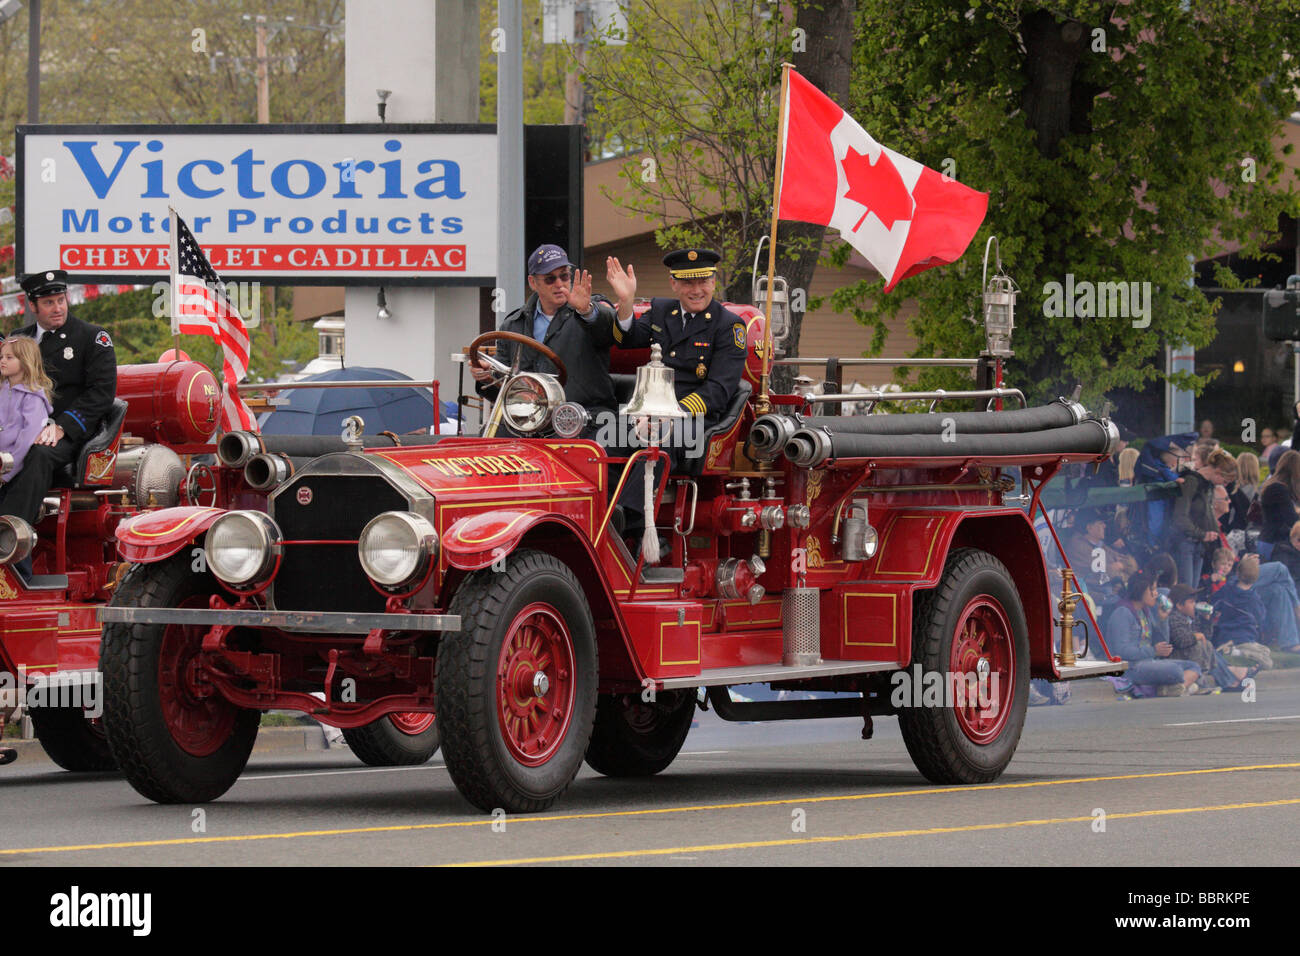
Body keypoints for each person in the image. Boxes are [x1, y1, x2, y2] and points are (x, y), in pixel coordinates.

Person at [604, 249, 747, 548]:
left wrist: (667, 413)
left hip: (696, 420)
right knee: (603, 436)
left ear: (713, 281)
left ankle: (630, 526)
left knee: (660, 440)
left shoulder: (729, 326)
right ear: (674, 284)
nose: (696, 290)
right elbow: (625, 340)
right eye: (687, 283)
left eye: (703, 281)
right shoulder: (661, 311)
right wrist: (627, 302)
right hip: (649, 412)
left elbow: (719, 390)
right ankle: (602, 509)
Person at [0, 270, 117, 528]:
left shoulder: (92, 337)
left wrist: (63, 426)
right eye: (48, 302)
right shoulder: (18, 339)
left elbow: (102, 393)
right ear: (33, 306)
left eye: (61, 300)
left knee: (39, 453)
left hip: (69, 432)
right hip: (17, 425)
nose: (57, 308)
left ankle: (8, 533)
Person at [470, 244, 618, 434]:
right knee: (488, 437)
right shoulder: (514, 324)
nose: (559, 284)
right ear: (533, 283)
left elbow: (609, 329)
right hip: (529, 419)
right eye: (550, 279)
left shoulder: (589, 310)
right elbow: (503, 391)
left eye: (564, 276)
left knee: (568, 443)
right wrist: (487, 375)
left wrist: (586, 310)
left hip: (583, 414)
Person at [1104, 573, 1204, 695]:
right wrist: (1153, 651)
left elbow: (1164, 642)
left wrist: (1163, 620)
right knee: (1176, 671)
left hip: (1150, 662)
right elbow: (1121, 651)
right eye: (1152, 589)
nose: (1156, 593)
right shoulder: (1122, 613)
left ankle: (1176, 688)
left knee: (1193, 666)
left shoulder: (1145, 612)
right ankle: (1180, 686)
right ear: (1140, 590)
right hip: (1131, 667)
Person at [1166, 447, 1236, 590]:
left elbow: (1208, 514)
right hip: (1185, 543)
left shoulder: (1208, 485)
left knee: (1193, 589)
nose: (1224, 484)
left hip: (1199, 544)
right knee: (1187, 589)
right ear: (1217, 472)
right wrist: (1202, 533)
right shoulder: (1192, 482)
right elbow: (1180, 516)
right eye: (1225, 480)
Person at [1167, 584, 1251, 691]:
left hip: (1192, 654)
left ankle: (1229, 677)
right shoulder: (1174, 618)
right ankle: (1229, 678)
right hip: (1179, 657)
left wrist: (1205, 620)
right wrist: (1195, 636)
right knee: (1203, 645)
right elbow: (1181, 640)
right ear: (1179, 605)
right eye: (1191, 602)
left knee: (1208, 645)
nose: (1194, 605)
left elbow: (1206, 637)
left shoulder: (1190, 618)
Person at [0, 337, 55, 490]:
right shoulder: (2, 390)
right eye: (1, 357)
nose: (3, 361)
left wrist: (6, 473)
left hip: (12, 464)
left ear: (25, 361)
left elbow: (28, 438)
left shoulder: (33, 397)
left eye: (9, 357)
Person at [1258, 448, 1300, 549]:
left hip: (1276, 541)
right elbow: (1292, 519)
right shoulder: (1277, 489)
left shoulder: (1279, 488)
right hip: (1274, 542)